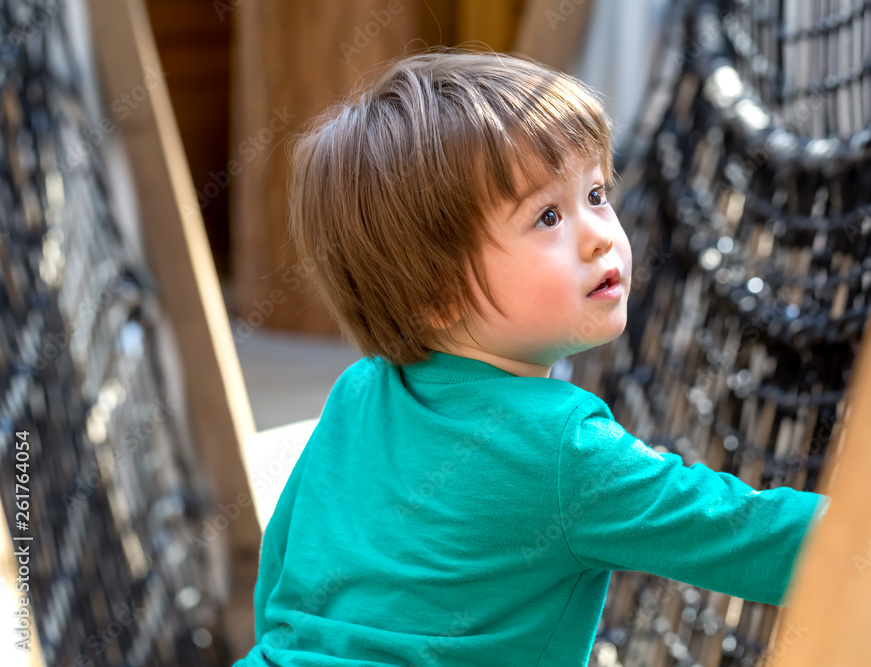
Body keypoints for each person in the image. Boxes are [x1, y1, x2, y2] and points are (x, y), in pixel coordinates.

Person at [233, 48, 831, 667]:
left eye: (596, 193)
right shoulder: (564, 448)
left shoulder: (359, 390)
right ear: (436, 292)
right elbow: (747, 535)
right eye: (548, 216)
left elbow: (281, 575)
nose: (601, 232)